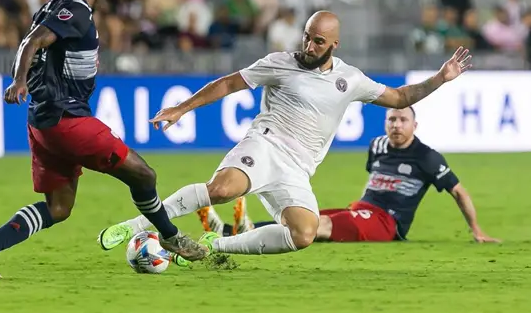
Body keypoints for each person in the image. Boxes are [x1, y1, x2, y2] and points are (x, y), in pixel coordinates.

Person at [98, 11, 473, 257]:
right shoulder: (280, 63)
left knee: (304, 234)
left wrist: (441, 78)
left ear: (334, 45)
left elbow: (403, 96)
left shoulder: (351, 79)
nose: (309, 46)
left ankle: (217, 245)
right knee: (224, 190)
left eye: (318, 42)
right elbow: (230, 84)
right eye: (307, 37)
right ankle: (136, 225)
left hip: (298, 168)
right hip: (266, 143)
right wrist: (182, 107)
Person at [0, 0, 206, 279]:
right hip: (67, 118)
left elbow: (29, 42)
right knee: (144, 175)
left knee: (59, 208)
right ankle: (172, 238)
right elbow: (32, 42)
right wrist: (19, 80)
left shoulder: (51, 6)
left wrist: (23, 79)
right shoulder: (74, 9)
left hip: (43, 121)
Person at [197, 107, 500, 243]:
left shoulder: (427, 157)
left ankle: (230, 235)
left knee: (320, 226)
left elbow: (458, 191)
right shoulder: (378, 145)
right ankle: (229, 231)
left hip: (386, 223)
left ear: (414, 126)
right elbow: (374, 180)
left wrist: (476, 230)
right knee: (301, 219)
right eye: (391, 118)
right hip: (361, 210)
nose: (396, 125)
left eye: (403, 120)